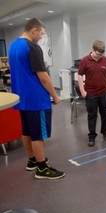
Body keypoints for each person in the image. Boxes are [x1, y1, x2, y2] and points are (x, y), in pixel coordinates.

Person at [8, 18, 65, 179]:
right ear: (34, 30)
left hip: (22, 98)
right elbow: (43, 77)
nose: (41, 37)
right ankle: (42, 169)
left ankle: (32, 160)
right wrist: (55, 95)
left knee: (26, 131)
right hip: (36, 99)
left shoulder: (13, 46)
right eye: (41, 33)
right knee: (37, 134)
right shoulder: (32, 47)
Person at [78, 40, 106, 147]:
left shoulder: (105, 60)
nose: (99, 56)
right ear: (93, 50)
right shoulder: (85, 60)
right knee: (92, 115)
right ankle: (92, 136)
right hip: (91, 94)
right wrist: (82, 91)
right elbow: (79, 75)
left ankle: (105, 132)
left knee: (104, 114)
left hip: (104, 93)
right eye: (98, 54)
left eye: (101, 54)